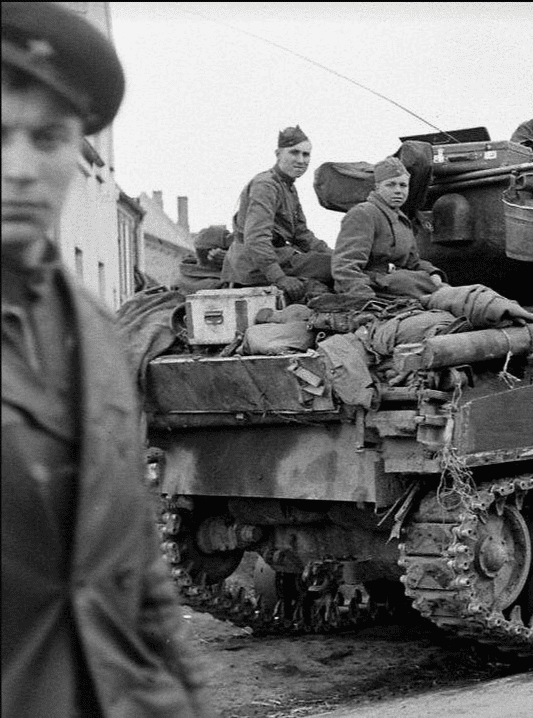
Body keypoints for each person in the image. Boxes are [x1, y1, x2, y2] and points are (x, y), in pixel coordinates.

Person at [1, 3, 214, 716]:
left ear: (79, 153)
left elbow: (138, 566)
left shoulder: (96, 329)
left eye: (49, 138)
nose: (21, 169)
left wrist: (184, 700)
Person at [220, 125, 333, 304]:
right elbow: (256, 238)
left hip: (276, 256)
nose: (301, 160)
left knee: (336, 264)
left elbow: (301, 234)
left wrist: (338, 255)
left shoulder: (287, 186)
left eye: (306, 155)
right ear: (278, 154)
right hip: (254, 265)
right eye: (294, 153)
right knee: (333, 269)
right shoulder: (266, 185)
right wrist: (279, 277)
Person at [331, 156, 446, 308]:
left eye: (403, 185)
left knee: (445, 291)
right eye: (391, 185)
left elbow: (413, 262)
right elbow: (345, 266)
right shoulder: (364, 213)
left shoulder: (402, 220)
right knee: (439, 297)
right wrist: (365, 298)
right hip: (376, 288)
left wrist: (432, 272)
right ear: (377, 187)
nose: (398, 191)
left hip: (400, 283)